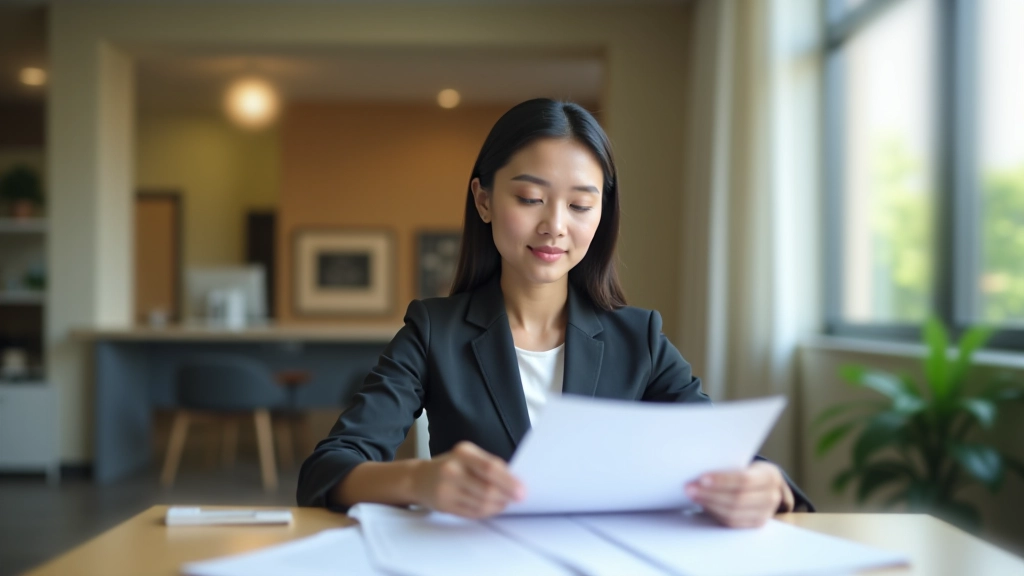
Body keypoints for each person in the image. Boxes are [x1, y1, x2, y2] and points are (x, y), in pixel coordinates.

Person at [297, 98, 813, 526]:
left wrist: (767, 484)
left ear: (601, 213)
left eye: (580, 205)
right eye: (529, 198)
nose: (555, 226)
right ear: (483, 199)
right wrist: (419, 480)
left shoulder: (641, 339)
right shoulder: (435, 331)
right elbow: (329, 468)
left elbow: (726, 453)